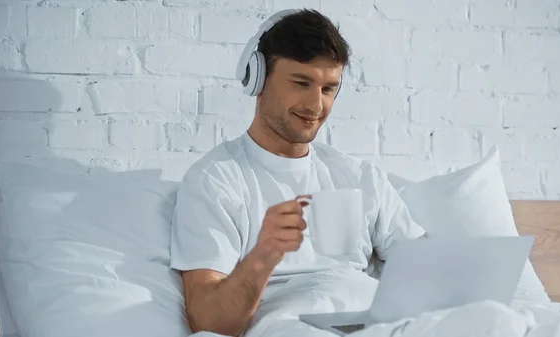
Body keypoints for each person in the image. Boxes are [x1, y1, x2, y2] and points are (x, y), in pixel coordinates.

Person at [170, 8, 426, 337]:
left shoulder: (360, 176)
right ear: (257, 79)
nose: (316, 105)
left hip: (380, 323)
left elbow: (425, 265)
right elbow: (209, 322)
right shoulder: (216, 180)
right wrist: (264, 255)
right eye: (301, 83)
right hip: (294, 326)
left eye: (328, 89)